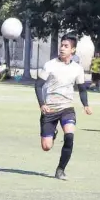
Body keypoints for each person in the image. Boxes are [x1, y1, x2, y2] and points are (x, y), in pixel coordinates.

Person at [34, 33, 92, 180]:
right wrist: (42, 104)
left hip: (67, 108)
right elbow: (38, 85)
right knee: (46, 147)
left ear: (73, 50)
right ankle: (52, 134)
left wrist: (86, 105)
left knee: (70, 136)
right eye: (61, 45)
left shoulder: (77, 69)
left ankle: (60, 169)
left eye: (66, 46)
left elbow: (82, 88)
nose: (62, 48)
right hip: (50, 109)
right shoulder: (50, 65)